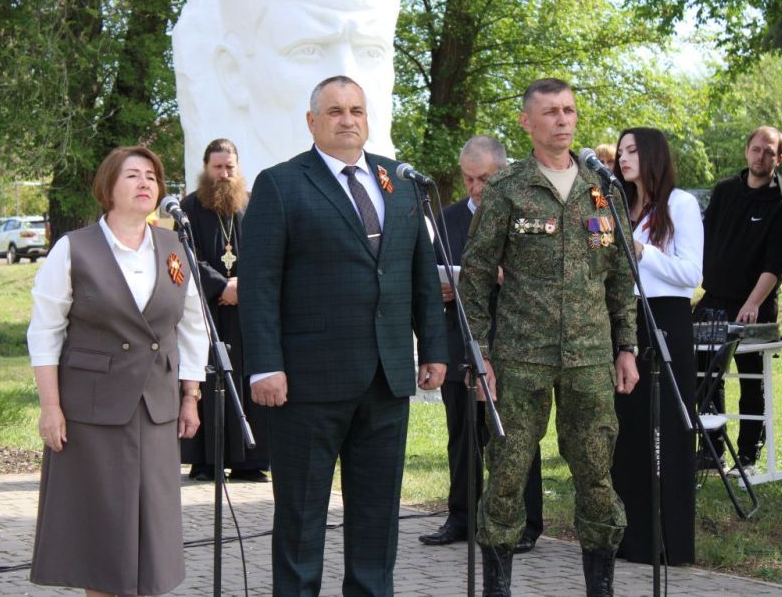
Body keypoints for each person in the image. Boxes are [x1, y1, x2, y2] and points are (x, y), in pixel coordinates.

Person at [239, 75, 448, 595]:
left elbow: (420, 272)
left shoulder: (398, 182)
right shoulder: (282, 183)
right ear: (312, 122)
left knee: (378, 517)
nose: (348, 119)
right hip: (307, 383)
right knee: (302, 518)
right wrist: (266, 364)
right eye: (335, 111)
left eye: (356, 109)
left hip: (387, 378)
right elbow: (260, 283)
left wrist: (436, 348)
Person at [459, 77, 639, 597]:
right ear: (526, 122)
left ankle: (600, 586)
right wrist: (480, 355)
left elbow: (622, 278)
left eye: (570, 111)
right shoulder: (506, 189)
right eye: (552, 112)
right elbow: (474, 278)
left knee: (596, 476)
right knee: (508, 473)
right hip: (520, 358)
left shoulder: (603, 190)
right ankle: (498, 586)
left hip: (589, 358)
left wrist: (626, 346)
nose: (563, 120)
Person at [27, 146, 208, 596]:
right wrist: (50, 407)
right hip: (92, 414)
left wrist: (191, 395)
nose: (146, 183)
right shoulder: (73, 248)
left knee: (153, 540)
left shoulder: (174, 246)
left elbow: (192, 325)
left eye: (152, 176)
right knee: (102, 542)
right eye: (133, 175)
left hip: (156, 410)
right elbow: (45, 331)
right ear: (108, 188)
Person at [172, 0, 403, 187]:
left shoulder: (405, 195)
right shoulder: (231, 219)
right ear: (233, 73)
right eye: (308, 50)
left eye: (370, 52)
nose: (346, 89)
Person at [419, 136, 544, 553]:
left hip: (512, 341)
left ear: (503, 172)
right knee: (461, 433)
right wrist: (440, 288)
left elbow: (541, 279)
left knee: (514, 433)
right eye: (468, 179)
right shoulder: (448, 217)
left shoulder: (526, 211)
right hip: (461, 339)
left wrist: (505, 277)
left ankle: (523, 522)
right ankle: (461, 516)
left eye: (484, 179)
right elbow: (431, 271)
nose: (475, 189)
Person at [610, 127, 703, 565]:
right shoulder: (618, 205)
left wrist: (642, 251)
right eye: (621, 151)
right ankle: (635, 539)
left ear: (651, 156)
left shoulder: (680, 204)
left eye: (632, 151)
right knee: (627, 429)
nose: (624, 158)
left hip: (665, 319)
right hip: (623, 321)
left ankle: (673, 541)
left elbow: (691, 273)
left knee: (668, 427)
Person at [694, 125, 782, 474]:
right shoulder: (724, 191)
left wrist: (752, 303)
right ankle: (711, 451)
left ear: (779, 158)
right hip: (713, 300)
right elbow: (704, 237)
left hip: (754, 307)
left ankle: (747, 455)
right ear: (747, 151)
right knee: (704, 376)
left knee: (751, 380)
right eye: (756, 149)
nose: (761, 156)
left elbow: (775, 264)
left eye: (769, 151)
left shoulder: (781, 201)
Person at [179, 138, 271, 482]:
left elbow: (268, 253)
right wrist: (223, 286)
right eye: (217, 167)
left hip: (248, 311)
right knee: (209, 377)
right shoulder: (188, 208)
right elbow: (186, 257)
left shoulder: (253, 205)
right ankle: (207, 461)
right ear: (206, 168)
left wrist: (243, 288)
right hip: (206, 310)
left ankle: (249, 461)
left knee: (248, 378)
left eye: (229, 167)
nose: (224, 173)